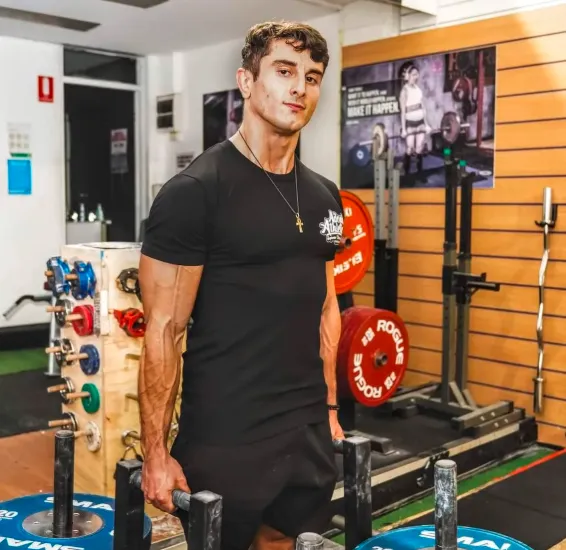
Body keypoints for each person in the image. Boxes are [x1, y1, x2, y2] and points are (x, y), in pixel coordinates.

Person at [138, 20, 345, 550]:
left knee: (285, 542)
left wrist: (329, 409)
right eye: (284, 71)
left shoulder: (325, 195)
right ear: (246, 82)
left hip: (306, 427)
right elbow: (163, 330)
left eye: (312, 77)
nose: (300, 87)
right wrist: (155, 453)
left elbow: (326, 305)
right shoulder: (195, 192)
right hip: (227, 431)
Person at [399, 63, 431, 179]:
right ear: (408, 76)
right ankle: (407, 173)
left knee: (419, 148)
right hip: (410, 123)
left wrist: (426, 124)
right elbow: (403, 112)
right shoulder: (404, 91)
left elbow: (423, 108)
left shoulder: (418, 90)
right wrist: (403, 129)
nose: (415, 77)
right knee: (409, 148)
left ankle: (419, 173)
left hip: (420, 122)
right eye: (413, 74)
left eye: (417, 74)